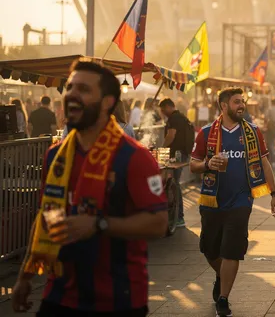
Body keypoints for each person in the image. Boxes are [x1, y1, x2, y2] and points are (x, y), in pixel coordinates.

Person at [11, 59, 167, 317]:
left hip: (117, 299)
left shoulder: (134, 157)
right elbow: (47, 217)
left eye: (83, 89)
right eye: (70, 87)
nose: (72, 94)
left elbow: (159, 223)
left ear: (107, 102)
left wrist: (99, 225)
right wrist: (26, 276)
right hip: (59, 293)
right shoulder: (55, 156)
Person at [190, 87, 275, 317]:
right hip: (212, 200)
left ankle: (223, 298)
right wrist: (209, 164)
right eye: (237, 102)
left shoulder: (253, 132)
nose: (242, 105)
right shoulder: (206, 132)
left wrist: (274, 193)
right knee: (209, 249)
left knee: (232, 250)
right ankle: (222, 276)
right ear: (223, 106)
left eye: (243, 101)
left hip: (242, 200)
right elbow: (193, 165)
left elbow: (265, 164)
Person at [160, 98, 195, 228]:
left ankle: (179, 217)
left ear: (169, 107)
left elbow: (171, 135)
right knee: (174, 182)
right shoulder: (182, 117)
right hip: (183, 154)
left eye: (163, 110)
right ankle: (176, 216)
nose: (163, 113)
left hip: (177, 155)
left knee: (174, 182)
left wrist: (162, 148)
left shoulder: (174, 119)